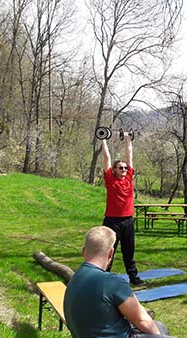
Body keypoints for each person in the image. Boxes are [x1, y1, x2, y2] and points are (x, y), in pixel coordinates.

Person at [64, 226, 172, 338]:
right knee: (158, 330)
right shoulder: (112, 283)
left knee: (160, 326)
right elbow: (142, 320)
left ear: (83, 251)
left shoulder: (75, 279)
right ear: (111, 253)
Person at [101, 136, 144, 286]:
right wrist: (103, 140)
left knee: (129, 251)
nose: (124, 169)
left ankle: (133, 277)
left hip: (128, 220)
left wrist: (128, 141)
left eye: (125, 168)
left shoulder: (129, 178)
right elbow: (107, 157)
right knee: (108, 250)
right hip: (112, 221)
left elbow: (129, 155)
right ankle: (103, 278)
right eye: (121, 168)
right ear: (114, 170)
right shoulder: (110, 179)